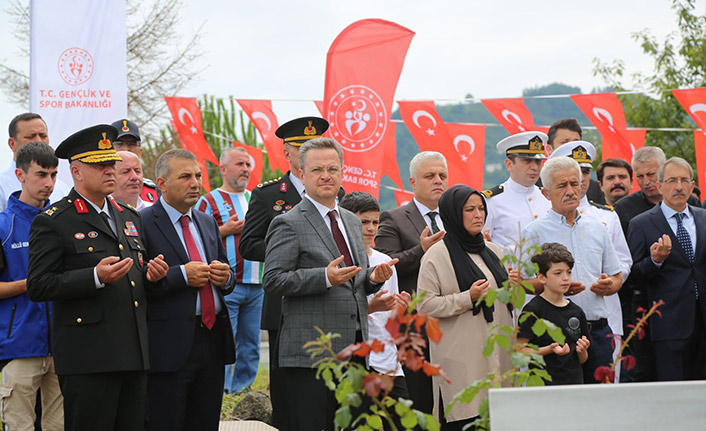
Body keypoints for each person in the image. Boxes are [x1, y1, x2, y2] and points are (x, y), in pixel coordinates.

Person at [26, 124, 168, 431]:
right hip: (89, 359)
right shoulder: (54, 221)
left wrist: (152, 278)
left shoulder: (128, 216)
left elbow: (134, 283)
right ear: (76, 172)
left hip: (133, 353)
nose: (110, 171)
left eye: (111, 164)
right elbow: (39, 285)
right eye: (100, 165)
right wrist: (93, 276)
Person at [262, 137, 397, 431]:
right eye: (317, 169)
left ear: (342, 172)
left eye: (333, 169)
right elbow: (272, 280)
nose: (326, 175)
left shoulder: (350, 220)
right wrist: (324, 277)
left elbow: (355, 278)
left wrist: (373, 278)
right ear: (301, 174)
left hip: (355, 350)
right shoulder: (289, 222)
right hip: (312, 355)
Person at [239, 116, 341, 430]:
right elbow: (249, 244)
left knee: (329, 396)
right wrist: (291, 252)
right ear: (286, 153)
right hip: (286, 303)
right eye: (301, 148)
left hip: (330, 302)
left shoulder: (336, 191)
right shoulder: (270, 195)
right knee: (289, 398)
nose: (308, 153)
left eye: (315, 146)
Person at [139, 149, 235, 431]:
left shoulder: (206, 222)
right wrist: (181, 275)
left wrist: (225, 277)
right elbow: (139, 284)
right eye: (185, 177)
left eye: (198, 176)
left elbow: (227, 276)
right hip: (169, 345)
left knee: (205, 421)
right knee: (166, 421)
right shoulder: (142, 222)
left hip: (212, 338)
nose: (195, 183)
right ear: (162, 183)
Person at [417, 184, 513, 430]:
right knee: (466, 419)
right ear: (452, 214)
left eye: (481, 208)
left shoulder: (493, 250)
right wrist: (466, 298)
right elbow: (424, 306)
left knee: (499, 418)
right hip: (461, 361)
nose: (478, 215)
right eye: (469, 209)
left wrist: (512, 287)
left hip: (496, 355)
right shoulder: (436, 256)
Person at [522, 156, 623, 384]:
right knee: (561, 406)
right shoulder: (533, 232)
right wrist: (556, 290)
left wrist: (609, 285)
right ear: (546, 193)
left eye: (574, 184)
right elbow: (521, 283)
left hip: (597, 332)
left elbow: (617, 276)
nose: (570, 190)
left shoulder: (598, 229)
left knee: (600, 402)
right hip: (555, 337)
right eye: (562, 185)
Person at [613, 146, 701, 381]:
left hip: (702, 321)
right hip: (668, 324)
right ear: (661, 186)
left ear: (692, 186)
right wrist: (655, 261)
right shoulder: (641, 223)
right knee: (673, 392)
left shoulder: (703, 218)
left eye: (684, 181)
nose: (679, 186)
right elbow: (631, 277)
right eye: (672, 180)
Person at [548, 142, 632, 380]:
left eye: (585, 172)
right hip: (558, 325)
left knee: (604, 392)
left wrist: (611, 282)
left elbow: (623, 263)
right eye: (574, 172)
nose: (580, 179)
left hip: (601, 317)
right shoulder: (543, 220)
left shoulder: (605, 216)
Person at [375, 151, 448, 414]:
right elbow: (386, 263)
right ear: (413, 182)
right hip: (412, 322)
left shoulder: (456, 217)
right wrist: (422, 250)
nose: (437, 180)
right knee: (419, 397)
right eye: (430, 176)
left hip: (451, 318)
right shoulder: (393, 218)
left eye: (442, 175)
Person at [0, 142, 63, 430]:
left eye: (53, 175)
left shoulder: (63, 220)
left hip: (64, 347)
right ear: (20, 174)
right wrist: (32, 284)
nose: (48, 183)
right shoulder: (3, 226)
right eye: (41, 175)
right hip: (18, 346)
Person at [196, 147, 263, 394]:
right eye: (239, 164)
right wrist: (224, 231)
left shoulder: (256, 198)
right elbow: (197, 237)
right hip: (226, 284)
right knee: (225, 340)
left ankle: (242, 390)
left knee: (251, 343)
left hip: (257, 282)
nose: (245, 169)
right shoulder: (208, 200)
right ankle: (220, 390)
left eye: (248, 164)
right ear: (223, 168)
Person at [339, 191, 410, 401]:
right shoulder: (339, 262)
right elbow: (337, 313)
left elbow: (392, 319)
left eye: (375, 222)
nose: (371, 228)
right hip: (356, 358)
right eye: (364, 222)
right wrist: (371, 308)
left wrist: (401, 307)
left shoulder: (385, 261)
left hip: (387, 358)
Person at [517, 243, 590, 385]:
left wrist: (582, 351)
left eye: (568, 272)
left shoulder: (577, 311)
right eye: (558, 273)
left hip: (574, 386)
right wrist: (548, 350)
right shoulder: (532, 310)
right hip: (543, 387)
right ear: (542, 277)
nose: (565, 278)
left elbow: (582, 359)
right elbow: (519, 351)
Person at [482, 132, 551, 255]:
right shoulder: (491, 201)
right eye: (527, 161)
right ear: (509, 164)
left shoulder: (547, 197)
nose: (534, 167)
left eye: (538, 161)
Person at [0, 113, 72, 211]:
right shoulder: (2, 185)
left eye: (43, 136)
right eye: (31, 136)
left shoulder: (62, 189)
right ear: (12, 144)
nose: (38, 141)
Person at [545, 118, 605, 204]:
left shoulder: (593, 187)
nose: (572, 147)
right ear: (549, 149)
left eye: (576, 142)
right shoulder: (537, 183)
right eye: (565, 143)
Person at [111, 119, 160, 204]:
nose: (126, 149)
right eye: (119, 143)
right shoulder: (99, 191)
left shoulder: (154, 191)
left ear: (140, 152)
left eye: (132, 144)